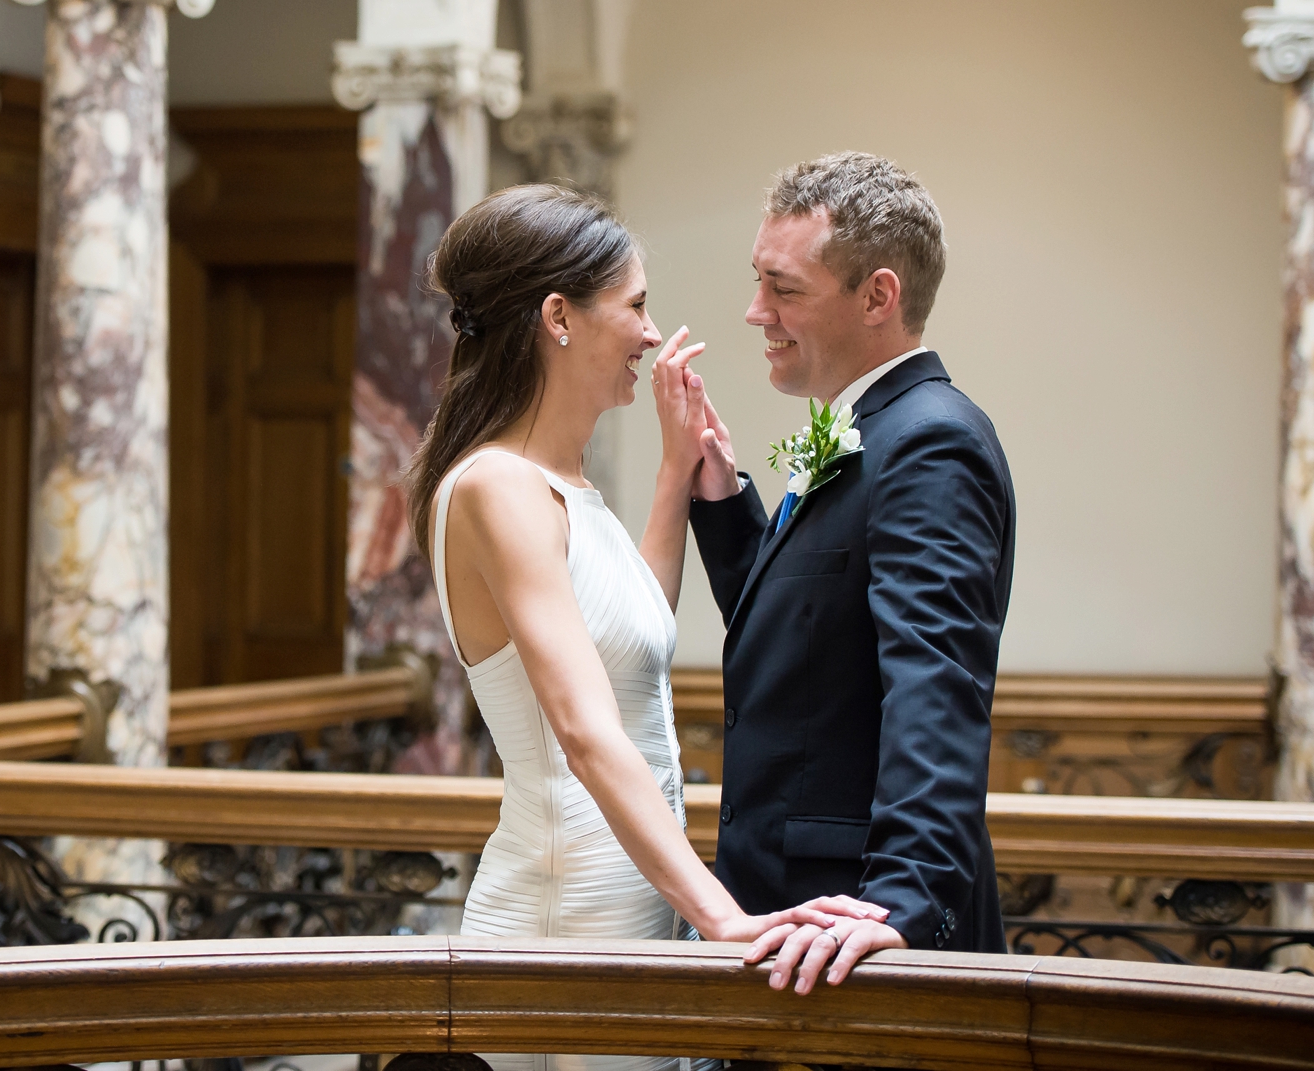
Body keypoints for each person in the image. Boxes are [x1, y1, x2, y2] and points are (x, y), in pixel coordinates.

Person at [408, 183, 886, 1071]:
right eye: (633, 305)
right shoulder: (496, 487)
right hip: (565, 911)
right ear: (559, 315)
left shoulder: (560, 484)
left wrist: (676, 474)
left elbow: (630, 635)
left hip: (631, 897)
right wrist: (726, 915)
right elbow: (586, 730)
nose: (648, 331)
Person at [680, 151, 1017, 998]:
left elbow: (935, 683)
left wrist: (901, 905)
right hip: (791, 916)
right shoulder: (869, 427)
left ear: (878, 295)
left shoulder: (929, 442)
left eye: (783, 288)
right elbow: (808, 636)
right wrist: (724, 505)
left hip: (851, 926)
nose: (756, 312)